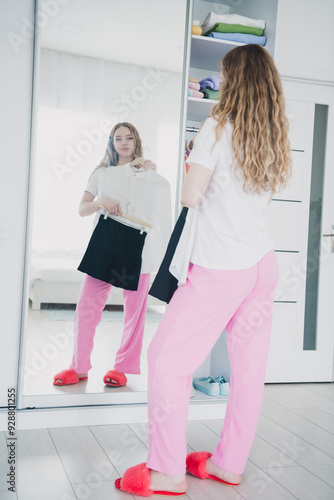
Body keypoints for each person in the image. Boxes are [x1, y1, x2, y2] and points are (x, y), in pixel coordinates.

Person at [115, 45, 292, 496]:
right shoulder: (270, 135)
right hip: (262, 266)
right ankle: (228, 466)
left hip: (220, 268)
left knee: (165, 362)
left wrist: (196, 156)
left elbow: (191, 197)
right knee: (248, 371)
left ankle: (168, 472)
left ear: (233, 80)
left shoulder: (217, 125)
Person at [53, 122, 171, 387]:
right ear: (112, 143)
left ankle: (123, 367)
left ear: (136, 141)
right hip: (107, 240)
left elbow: (163, 219)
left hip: (139, 244)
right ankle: (78, 367)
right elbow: (82, 209)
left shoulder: (153, 177)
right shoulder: (102, 174)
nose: (124, 142)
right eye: (118, 138)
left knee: (135, 312)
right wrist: (99, 203)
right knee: (86, 307)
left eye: (129, 137)